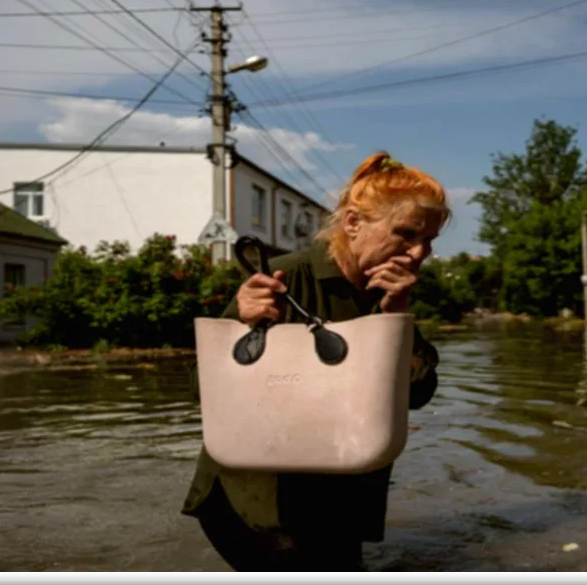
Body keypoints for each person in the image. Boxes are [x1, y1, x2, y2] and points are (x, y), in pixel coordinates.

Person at [181, 151, 450, 572]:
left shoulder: (388, 291)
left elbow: (418, 396)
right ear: (354, 223)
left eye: (429, 241)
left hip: (338, 500)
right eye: (406, 234)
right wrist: (245, 325)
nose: (419, 254)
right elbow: (203, 390)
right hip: (259, 506)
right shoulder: (285, 279)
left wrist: (398, 317)